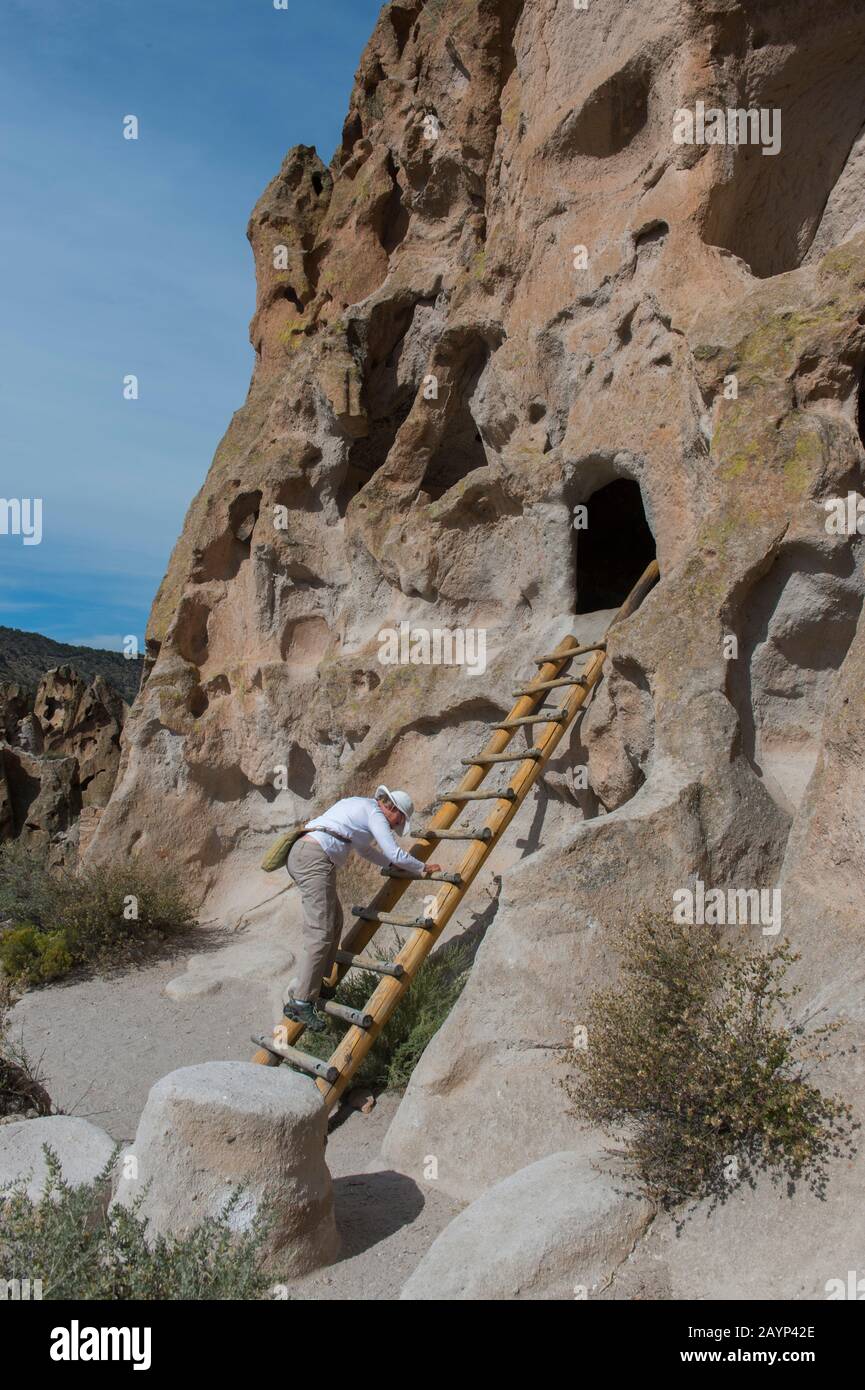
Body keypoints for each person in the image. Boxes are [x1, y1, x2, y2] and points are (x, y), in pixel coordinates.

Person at [283, 785, 442, 1032]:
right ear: (393, 809)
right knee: (320, 931)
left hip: (308, 854)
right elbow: (394, 852)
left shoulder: (360, 807)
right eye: (399, 821)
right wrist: (421, 867)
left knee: (334, 921)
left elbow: (365, 850)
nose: (395, 826)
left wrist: (392, 864)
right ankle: (302, 1001)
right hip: (314, 857)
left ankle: (316, 983)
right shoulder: (375, 814)